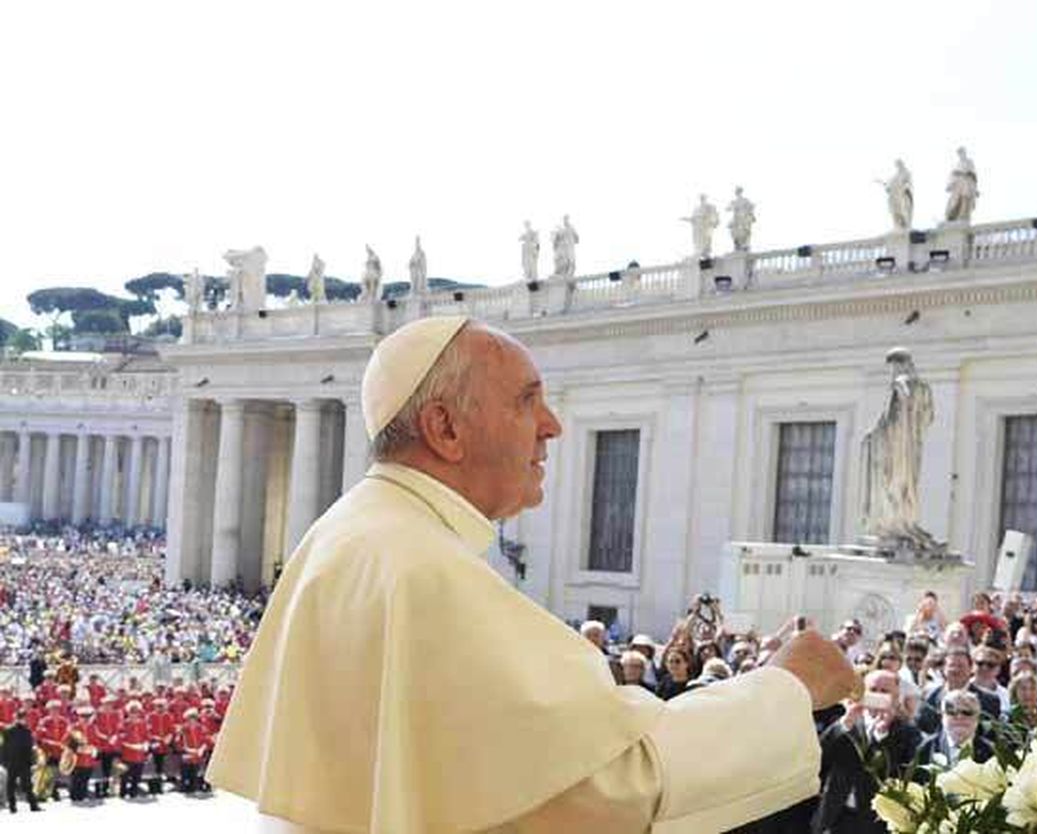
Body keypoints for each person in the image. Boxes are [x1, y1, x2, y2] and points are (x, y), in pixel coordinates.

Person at [209, 316, 855, 834]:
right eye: (527, 402)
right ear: (446, 428)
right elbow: (608, 787)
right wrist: (786, 689)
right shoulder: (421, 569)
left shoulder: (352, 534)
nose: (553, 426)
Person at [812, 670, 922, 834]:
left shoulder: (907, 732)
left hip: (878, 822)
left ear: (896, 696)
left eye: (885, 691)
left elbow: (900, 773)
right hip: (837, 816)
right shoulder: (846, 721)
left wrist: (882, 736)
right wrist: (844, 725)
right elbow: (820, 757)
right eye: (873, 690)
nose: (878, 695)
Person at [915, 690, 992, 767]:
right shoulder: (927, 748)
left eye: (967, 713)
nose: (959, 717)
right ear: (942, 717)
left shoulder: (991, 751)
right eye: (951, 712)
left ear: (977, 718)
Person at [2, 714, 41, 812]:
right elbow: (3, 748)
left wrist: (32, 762)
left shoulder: (27, 731)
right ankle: (12, 807)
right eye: (20, 718)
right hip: (12, 761)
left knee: (28, 785)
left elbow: (30, 748)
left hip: (24, 762)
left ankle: (33, 805)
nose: (22, 720)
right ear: (15, 719)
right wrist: (4, 761)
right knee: (10, 785)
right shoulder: (8, 731)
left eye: (23, 719)